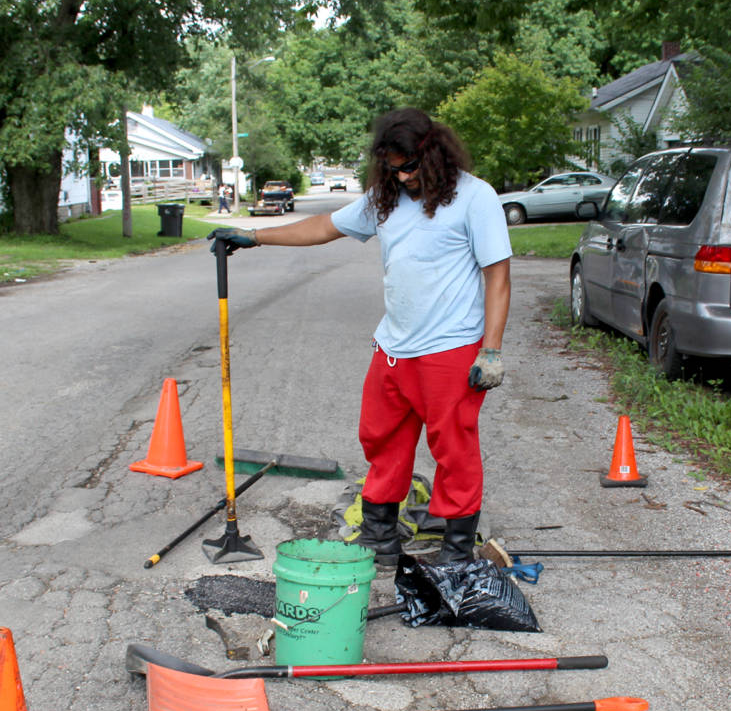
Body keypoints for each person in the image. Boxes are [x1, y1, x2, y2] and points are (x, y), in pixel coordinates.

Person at [209, 108, 511, 565]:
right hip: (394, 346)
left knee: (454, 448)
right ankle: (379, 537)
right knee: (382, 437)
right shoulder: (387, 199)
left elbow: (499, 276)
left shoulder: (475, 197)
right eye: (394, 168)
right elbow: (324, 226)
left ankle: (455, 550)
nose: (405, 176)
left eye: (410, 166)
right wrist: (254, 236)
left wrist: (490, 350)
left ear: (434, 153)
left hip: (451, 348)